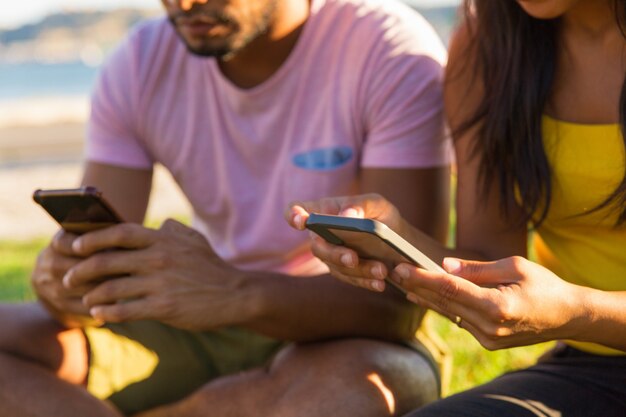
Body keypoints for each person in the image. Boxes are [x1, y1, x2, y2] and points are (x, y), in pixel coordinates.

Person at [0, 0, 453, 416]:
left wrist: (234, 291)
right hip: (189, 320)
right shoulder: (139, 62)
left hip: (332, 327)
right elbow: (98, 273)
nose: (185, 4)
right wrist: (63, 286)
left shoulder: (387, 48)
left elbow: (399, 305)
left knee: (359, 390)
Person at [286, 0, 626, 415]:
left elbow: (572, 310)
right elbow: (490, 261)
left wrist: (579, 312)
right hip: (593, 368)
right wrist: (394, 241)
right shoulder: (490, 48)